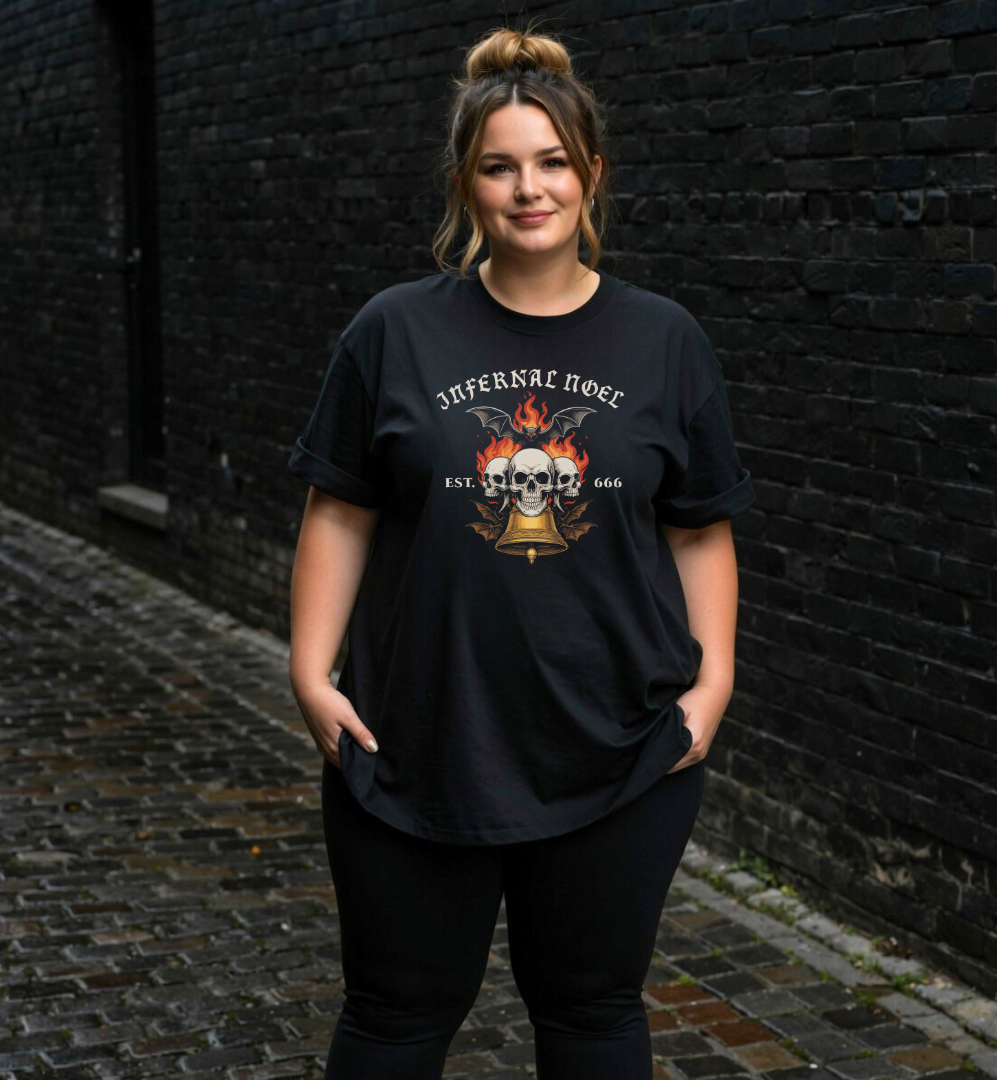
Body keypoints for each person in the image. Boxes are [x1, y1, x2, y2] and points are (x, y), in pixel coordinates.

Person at [287, 21, 756, 1080]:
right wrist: (310, 672)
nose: (528, 189)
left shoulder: (665, 339)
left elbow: (699, 525)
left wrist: (714, 683)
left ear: (593, 173)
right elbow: (340, 510)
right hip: (416, 739)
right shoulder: (393, 331)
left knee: (592, 1012)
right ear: (466, 183)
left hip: (617, 745)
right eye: (500, 166)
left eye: (552, 162)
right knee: (396, 1017)